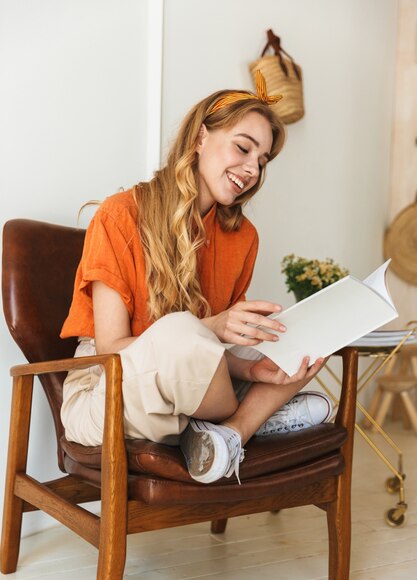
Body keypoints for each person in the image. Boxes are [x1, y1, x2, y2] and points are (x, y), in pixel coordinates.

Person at [60, 71, 332, 485]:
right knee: (182, 331)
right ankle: (247, 422)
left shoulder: (243, 238)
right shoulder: (119, 214)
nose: (252, 170)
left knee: (295, 343)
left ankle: (227, 435)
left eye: (262, 161)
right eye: (243, 148)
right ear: (201, 137)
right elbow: (113, 347)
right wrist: (214, 328)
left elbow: (210, 353)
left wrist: (254, 371)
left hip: (193, 387)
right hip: (109, 391)